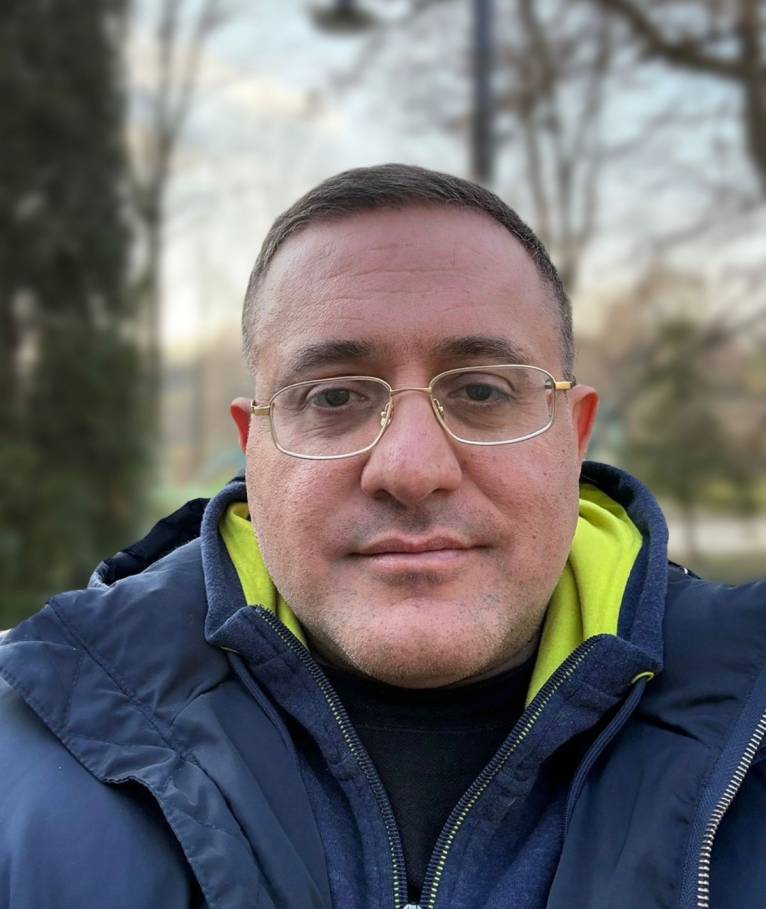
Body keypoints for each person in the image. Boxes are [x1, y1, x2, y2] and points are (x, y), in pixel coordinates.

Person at [0, 164, 764, 909]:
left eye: (482, 390)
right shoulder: (28, 749)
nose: (411, 468)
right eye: (333, 397)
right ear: (252, 447)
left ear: (574, 432)